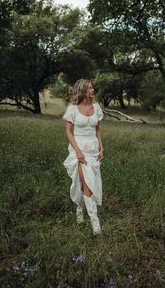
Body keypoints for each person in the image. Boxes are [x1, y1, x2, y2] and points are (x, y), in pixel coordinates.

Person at [63, 79, 104, 235]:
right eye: (91, 88)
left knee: (88, 180)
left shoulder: (97, 108)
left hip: (93, 149)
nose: (93, 90)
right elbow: (68, 131)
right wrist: (78, 151)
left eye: (93, 88)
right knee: (86, 182)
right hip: (78, 148)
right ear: (83, 90)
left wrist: (102, 148)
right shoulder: (72, 109)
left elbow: (98, 130)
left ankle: (79, 208)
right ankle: (96, 224)